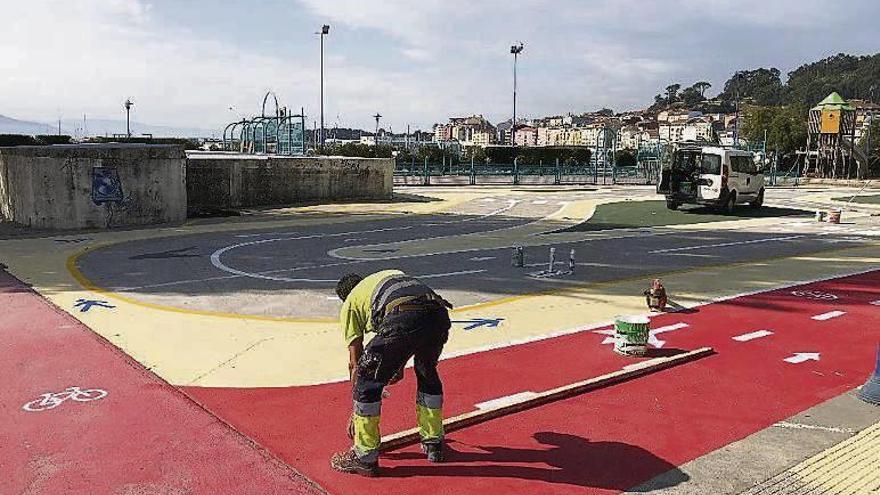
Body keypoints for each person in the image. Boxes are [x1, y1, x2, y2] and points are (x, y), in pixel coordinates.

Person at [330, 270, 452, 476]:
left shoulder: (351, 303)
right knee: (426, 371)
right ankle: (433, 443)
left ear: (344, 297)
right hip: (437, 313)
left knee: (366, 380)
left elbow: (356, 363)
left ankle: (364, 457)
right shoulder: (387, 277)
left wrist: (356, 412)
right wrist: (393, 367)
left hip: (403, 317)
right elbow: (406, 339)